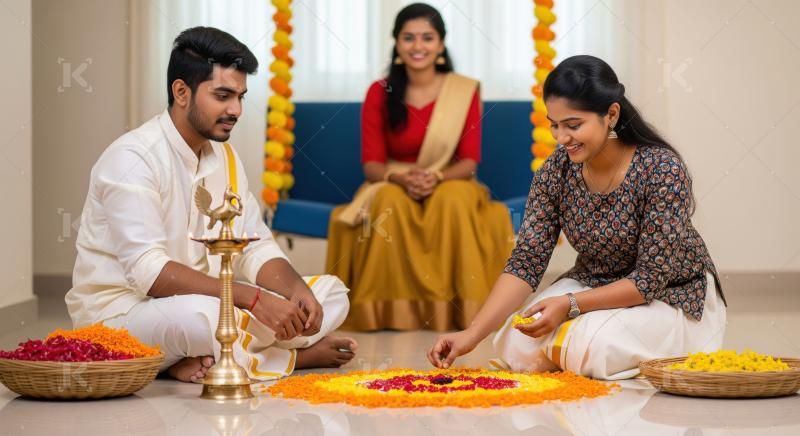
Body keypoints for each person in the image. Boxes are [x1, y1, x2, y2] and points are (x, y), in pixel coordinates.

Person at [66, 27, 357, 383]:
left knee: (331, 293)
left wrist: (296, 291)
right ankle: (293, 357)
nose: (235, 110)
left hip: (211, 302)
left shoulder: (226, 157)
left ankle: (201, 359)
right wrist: (254, 301)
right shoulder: (132, 158)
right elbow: (150, 273)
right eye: (222, 95)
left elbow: (256, 245)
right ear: (181, 92)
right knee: (203, 318)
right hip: (122, 314)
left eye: (240, 97)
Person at [428, 55, 727, 380]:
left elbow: (650, 278)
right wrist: (472, 335)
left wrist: (570, 304)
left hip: (671, 294)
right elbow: (526, 262)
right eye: (554, 125)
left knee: (594, 347)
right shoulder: (555, 172)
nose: (561, 138)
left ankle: (613, 337)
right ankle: (581, 334)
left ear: (611, 114)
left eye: (573, 125)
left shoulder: (662, 169)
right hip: (594, 282)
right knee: (517, 340)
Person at [325, 3, 514, 331]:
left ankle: (461, 312)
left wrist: (436, 176)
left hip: (452, 180)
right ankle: (387, 312)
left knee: (451, 200)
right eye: (408, 37)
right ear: (396, 43)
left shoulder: (463, 90)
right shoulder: (379, 92)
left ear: (441, 44)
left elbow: (469, 162)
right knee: (387, 203)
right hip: (392, 179)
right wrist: (401, 178)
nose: (418, 46)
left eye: (427, 37)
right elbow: (371, 165)